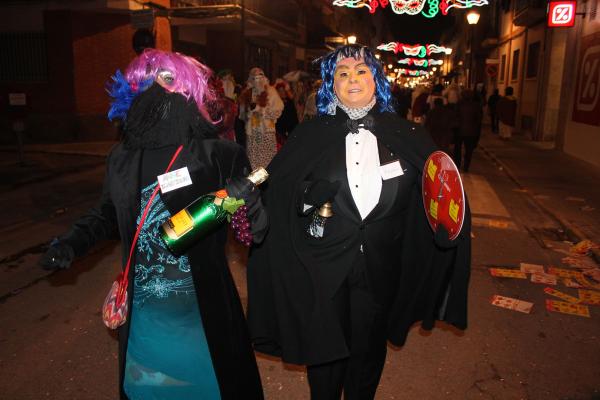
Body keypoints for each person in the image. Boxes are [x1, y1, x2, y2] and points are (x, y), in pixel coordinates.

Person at [247, 45, 471, 400]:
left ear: (376, 80)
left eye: (362, 71)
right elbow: (280, 190)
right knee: (324, 352)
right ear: (330, 85)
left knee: (368, 352)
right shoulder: (310, 134)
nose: (353, 79)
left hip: (381, 263)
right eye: (343, 73)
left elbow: (438, 190)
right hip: (322, 265)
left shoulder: (407, 134)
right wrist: (288, 201)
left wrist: (446, 222)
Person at [38, 49, 264, 400]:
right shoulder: (122, 158)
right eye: (147, 81)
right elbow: (108, 214)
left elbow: (253, 232)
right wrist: (72, 243)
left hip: (202, 316)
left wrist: (245, 203)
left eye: (168, 79)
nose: (157, 88)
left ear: (190, 92)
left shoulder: (219, 155)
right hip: (146, 315)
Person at [238, 67, 284, 168]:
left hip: (266, 131)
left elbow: (278, 109)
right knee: (253, 160)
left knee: (267, 161)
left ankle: (267, 182)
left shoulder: (271, 91)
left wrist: (262, 111)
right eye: (255, 78)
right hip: (252, 132)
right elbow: (242, 115)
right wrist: (249, 112)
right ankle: (256, 182)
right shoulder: (247, 93)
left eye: (260, 76)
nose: (257, 80)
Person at [454, 89, 483, 173]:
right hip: (471, 131)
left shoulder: (459, 104)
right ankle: (466, 166)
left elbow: (455, 116)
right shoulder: (476, 105)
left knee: (458, 149)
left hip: (459, 130)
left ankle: (457, 165)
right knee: (469, 150)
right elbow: (479, 119)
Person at [275, 80, 299, 149]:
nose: (282, 92)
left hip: (290, 130)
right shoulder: (275, 103)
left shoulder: (289, 102)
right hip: (279, 131)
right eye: (280, 91)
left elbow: (293, 117)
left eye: (283, 91)